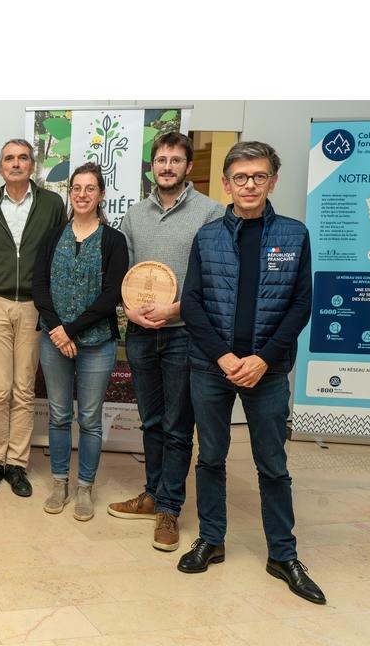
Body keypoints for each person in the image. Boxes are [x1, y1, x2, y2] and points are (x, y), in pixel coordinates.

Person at [178, 141, 324, 605]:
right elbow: (194, 303)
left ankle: (283, 554)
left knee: (273, 466)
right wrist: (222, 356)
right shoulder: (207, 237)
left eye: (259, 176)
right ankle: (212, 539)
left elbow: (302, 303)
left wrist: (263, 358)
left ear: (272, 182)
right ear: (226, 183)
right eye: (240, 177)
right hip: (212, 367)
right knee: (211, 458)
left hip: (269, 370)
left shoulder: (295, 235)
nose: (249, 185)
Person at [107, 133, 223, 551]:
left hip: (184, 336)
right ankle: (153, 493)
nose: (168, 167)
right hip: (140, 332)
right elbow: (126, 273)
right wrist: (128, 309)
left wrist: (175, 310)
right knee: (152, 421)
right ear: (151, 166)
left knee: (177, 425)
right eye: (161, 160)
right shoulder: (135, 215)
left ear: (188, 167)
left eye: (175, 160)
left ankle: (169, 509)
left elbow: (212, 276)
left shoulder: (211, 213)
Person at [0, 138, 66, 497]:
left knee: (24, 390)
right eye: (9, 158)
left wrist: (54, 309)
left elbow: (60, 255)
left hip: (33, 307)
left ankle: (17, 464)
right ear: (0, 167)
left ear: (32, 165)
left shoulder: (52, 203)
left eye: (23, 158)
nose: (16, 163)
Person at [31, 163, 127, 521]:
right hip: (54, 340)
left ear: (101, 194)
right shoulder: (53, 236)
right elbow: (38, 285)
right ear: (69, 193)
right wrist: (58, 329)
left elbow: (111, 295)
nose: (82, 194)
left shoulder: (114, 240)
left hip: (97, 343)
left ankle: (85, 486)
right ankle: (60, 482)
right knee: (58, 415)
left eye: (90, 188)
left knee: (89, 418)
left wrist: (71, 330)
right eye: (76, 188)